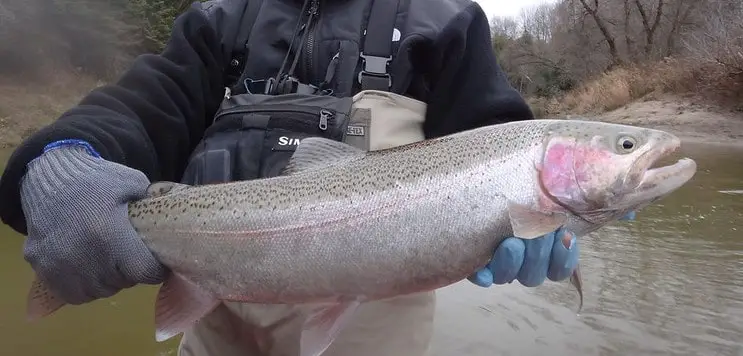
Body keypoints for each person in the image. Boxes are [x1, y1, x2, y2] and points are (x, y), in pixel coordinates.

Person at [0, 0, 630, 355]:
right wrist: (62, 155)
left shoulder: (444, 19)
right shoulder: (220, 15)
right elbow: (148, 102)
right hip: (215, 297)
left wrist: (547, 210)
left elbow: (498, 134)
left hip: (373, 314)